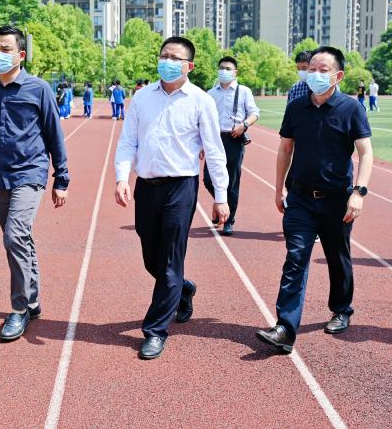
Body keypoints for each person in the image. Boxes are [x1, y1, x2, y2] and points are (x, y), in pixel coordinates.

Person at [114, 36, 229, 360]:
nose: (166, 61)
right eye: (163, 55)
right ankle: (183, 288)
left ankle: (155, 331)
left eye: (174, 58)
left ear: (188, 66)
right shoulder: (142, 98)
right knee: (151, 257)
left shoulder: (201, 101)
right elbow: (127, 142)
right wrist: (122, 178)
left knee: (169, 260)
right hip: (147, 186)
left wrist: (220, 196)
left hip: (181, 186)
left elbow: (214, 151)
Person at [256, 46, 373, 353]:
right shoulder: (296, 107)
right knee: (295, 258)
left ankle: (341, 309)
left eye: (323, 70)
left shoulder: (351, 108)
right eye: (312, 69)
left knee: (337, 256)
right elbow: (285, 149)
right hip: (300, 198)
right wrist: (278, 188)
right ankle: (285, 327)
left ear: (338, 76)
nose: (315, 74)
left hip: (337, 200)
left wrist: (358, 193)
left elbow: (365, 153)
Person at [0, 25, 70, 342]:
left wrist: (61, 179)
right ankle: (33, 300)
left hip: (30, 174)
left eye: (5, 48)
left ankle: (19, 308)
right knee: (19, 240)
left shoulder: (39, 89)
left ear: (21, 55)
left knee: (14, 235)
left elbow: (54, 135)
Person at [203, 56, 260, 236]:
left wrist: (244, 125)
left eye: (228, 68)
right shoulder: (211, 93)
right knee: (208, 180)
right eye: (221, 68)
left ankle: (229, 220)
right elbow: (204, 119)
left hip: (234, 139)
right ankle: (222, 204)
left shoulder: (244, 91)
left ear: (235, 72)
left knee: (232, 182)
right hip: (214, 139)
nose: (224, 71)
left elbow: (254, 113)